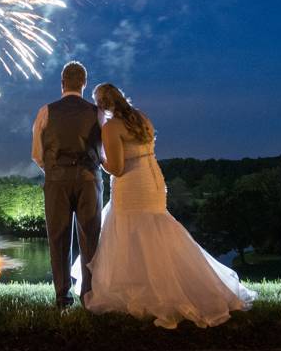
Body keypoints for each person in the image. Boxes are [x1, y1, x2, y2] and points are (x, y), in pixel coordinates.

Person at [73, 83, 257, 328]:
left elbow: (116, 168)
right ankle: (173, 285)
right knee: (157, 231)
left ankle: (140, 291)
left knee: (131, 235)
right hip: (154, 181)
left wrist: (97, 158)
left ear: (102, 104)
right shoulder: (142, 118)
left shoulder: (111, 127)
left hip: (131, 185)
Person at [31, 61, 103, 307]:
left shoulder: (46, 111)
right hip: (89, 180)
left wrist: (53, 170)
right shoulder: (97, 112)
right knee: (90, 238)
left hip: (56, 181)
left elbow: (36, 153)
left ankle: (62, 296)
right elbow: (102, 153)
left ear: (62, 83)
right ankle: (88, 296)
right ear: (84, 83)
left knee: (58, 238)